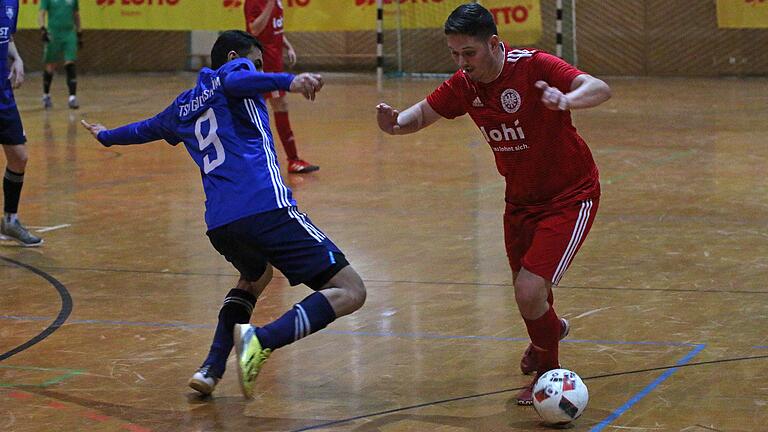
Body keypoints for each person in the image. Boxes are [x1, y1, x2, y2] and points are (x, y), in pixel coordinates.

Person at [80, 30, 366, 399]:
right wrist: (289, 81)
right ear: (234, 58)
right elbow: (240, 77)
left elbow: (142, 129)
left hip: (221, 224)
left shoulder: (182, 106)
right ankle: (261, 340)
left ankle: (210, 370)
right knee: (350, 290)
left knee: (255, 277)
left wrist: (105, 135)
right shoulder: (235, 74)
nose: (257, 73)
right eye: (255, 64)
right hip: (266, 208)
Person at [375, 3, 610, 405]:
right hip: (519, 201)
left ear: (495, 44)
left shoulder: (534, 66)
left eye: (469, 53)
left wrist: (567, 99)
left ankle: (548, 375)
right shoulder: (465, 84)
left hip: (569, 196)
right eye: (454, 54)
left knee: (529, 290)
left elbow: (599, 88)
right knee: (532, 295)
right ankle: (549, 334)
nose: (462, 63)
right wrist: (396, 124)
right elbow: (423, 113)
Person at [244, 0, 319, 174]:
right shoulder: (253, 2)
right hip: (264, 63)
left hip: (274, 61)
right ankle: (291, 159)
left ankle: (288, 160)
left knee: (264, 108)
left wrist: (287, 45)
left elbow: (274, 27)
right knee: (267, 108)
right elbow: (254, 29)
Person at [0, 0, 44, 247]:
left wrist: (16, 58)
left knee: (19, 157)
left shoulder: (10, 3)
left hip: (3, 94)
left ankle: (10, 221)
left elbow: (7, 37)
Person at [38, 0, 82, 110]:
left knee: (70, 62)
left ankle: (72, 97)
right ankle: (46, 95)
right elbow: (41, 13)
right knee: (50, 66)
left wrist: (79, 32)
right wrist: (43, 29)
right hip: (53, 34)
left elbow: (76, 14)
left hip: (69, 33)